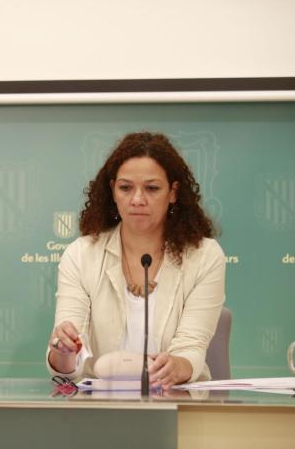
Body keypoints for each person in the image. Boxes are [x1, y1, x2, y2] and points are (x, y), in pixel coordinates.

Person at [47, 132, 225, 390]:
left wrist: (176, 366)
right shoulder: (81, 255)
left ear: (173, 192)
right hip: (97, 404)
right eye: (125, 188)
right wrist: (64, 350)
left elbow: (191, 349)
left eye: (152, 188)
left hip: (175, 400)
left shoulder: (204, 256)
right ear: (113, 191)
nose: (137, 199)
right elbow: (68, 365)